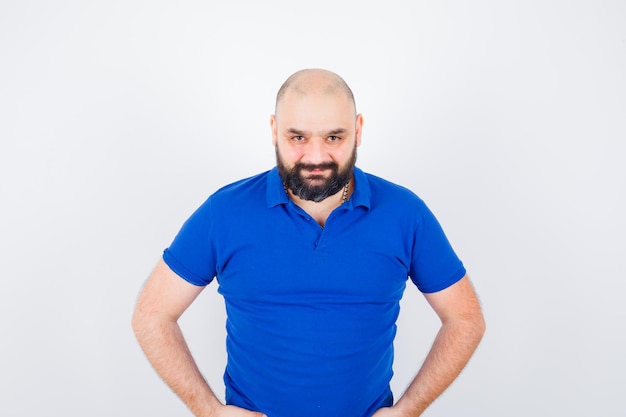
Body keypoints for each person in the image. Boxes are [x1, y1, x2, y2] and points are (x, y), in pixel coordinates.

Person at [132, 68, 486, 417]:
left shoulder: (405, 213)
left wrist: (408, 411)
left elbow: (464, 319)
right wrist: (208, 411)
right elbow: (153, 315)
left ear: (358, 131)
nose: (316, 158)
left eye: (334, 137)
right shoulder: (223, 212)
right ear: (274, 131)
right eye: (297, 138)